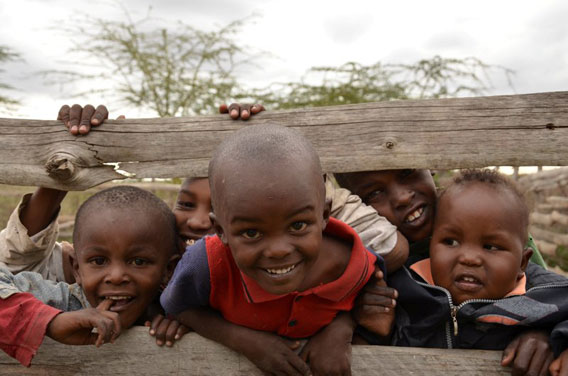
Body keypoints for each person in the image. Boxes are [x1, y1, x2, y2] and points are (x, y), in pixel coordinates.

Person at [160, 124, 388, 375]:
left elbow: (367, 306)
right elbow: (177, 306)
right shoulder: (205, 264)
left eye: (298, 225)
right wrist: (246, 342)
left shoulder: (356, 265)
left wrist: (339, 330)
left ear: (323, 214)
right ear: (220, 230)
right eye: (251, 233)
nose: (278, 251)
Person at [378, 170, 568, 376]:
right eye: (451, 242)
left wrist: (553, 336)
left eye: (491, 246)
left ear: (522, 262)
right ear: (430, 246)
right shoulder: (405, 288)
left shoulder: (546, 294)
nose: (469, 258)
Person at [0, 186, 184, 366]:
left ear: (168, 269)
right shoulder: (65, 303)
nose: (117, 276)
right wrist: (51, 321)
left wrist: (184, 323)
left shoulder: (181, 306)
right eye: (99, 261)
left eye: (138, 262)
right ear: (77, 269)